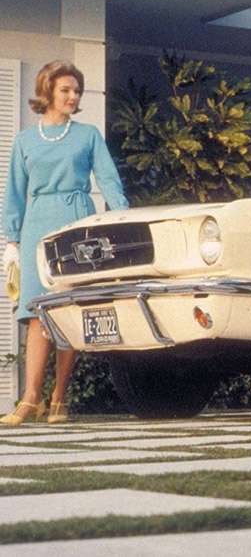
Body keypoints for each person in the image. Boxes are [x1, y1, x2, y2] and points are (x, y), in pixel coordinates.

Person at [0, 60, 128, 425]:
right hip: (35, 227)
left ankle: (59, 398)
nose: (73, 96)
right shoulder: (24, 140)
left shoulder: (87, 135)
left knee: (67, 310)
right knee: (36, 313)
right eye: (65, 90)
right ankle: (29, 401)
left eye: (76, 91)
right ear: (48, 92)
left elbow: (109, 179)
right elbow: (14, 192)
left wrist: (122, 218)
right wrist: (12, 240)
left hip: (76, 224)